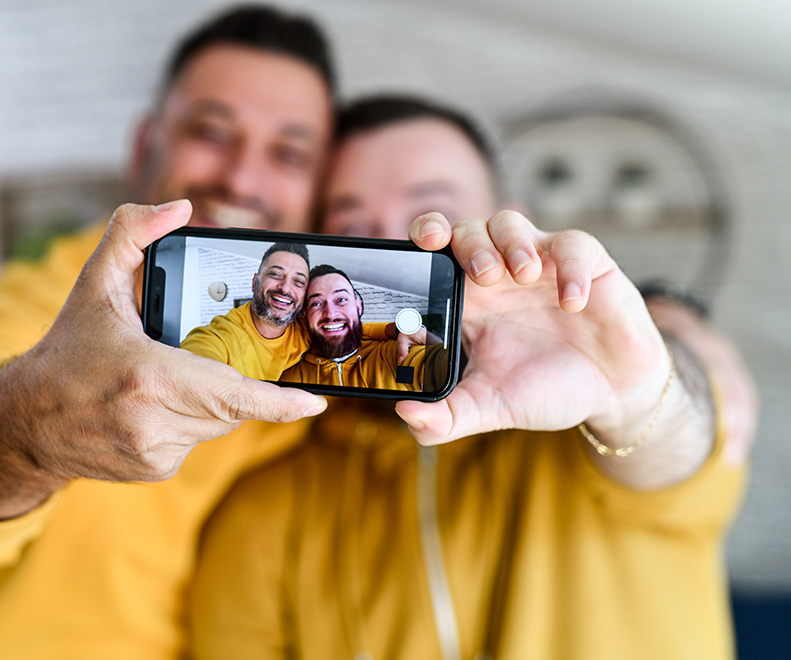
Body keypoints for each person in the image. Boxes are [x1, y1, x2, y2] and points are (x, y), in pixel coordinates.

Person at [187, 96, 749, 659]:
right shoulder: (261, 513)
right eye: (351, 226)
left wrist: (633, 392)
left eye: (433, 212)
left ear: (510, 218)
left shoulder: (588, 423)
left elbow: (679, 449)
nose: (399, 241)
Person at [0, 7, 338, 660]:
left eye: (288, 152)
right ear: (145, 149)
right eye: (211, 130)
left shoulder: (329, 353)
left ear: (319, 193)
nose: (241, 177)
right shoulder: (51, 294)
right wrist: (32, 430)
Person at [179, 243, 404, 380]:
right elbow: (192, 362)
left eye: (298, 281)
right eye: (276, 274)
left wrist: (399, 330)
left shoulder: (305, 328)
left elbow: (348, 326)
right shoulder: (223, 335)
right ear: (255, 282)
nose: (286, 288)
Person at [279, 264, 432, 389]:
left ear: (358, 307)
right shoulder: (288, 379)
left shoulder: (392, 355)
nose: (331, 314)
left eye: (341, 300)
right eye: (316, 303)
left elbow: (428, 367)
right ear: (305, 314)